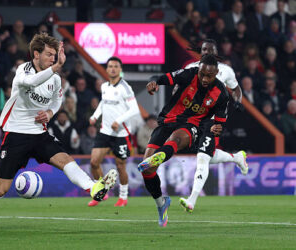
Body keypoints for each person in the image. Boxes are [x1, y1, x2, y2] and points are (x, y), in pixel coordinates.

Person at [0, 33, 117, 233]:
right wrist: (56, 67)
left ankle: (93, 187)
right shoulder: (22, 70)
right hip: (16, 134)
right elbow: (31, 83)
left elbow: (56, 100)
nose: (53, 59)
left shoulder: (55, 79)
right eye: (49, 54)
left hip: (39, 133)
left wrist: (51, 113)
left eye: (55, 55)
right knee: (0, 189)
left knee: (65, 159)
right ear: (36, 54)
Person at [138, 54, 229, 227]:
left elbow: (219, 124)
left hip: (192, 125)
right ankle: (161, 203)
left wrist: (218, 128)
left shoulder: (221, 94)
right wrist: (154, 82)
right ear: (199, 70)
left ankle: (161, 156)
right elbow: (167, 78)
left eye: (209, 75)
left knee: (177, 138)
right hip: (167, 121)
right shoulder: (189, 74)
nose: (204, 78)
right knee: (147, 170)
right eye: (202, 74)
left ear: (216, 73)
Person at [179, 39, 249, 213]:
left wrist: (238, 101)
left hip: (213, 119)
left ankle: (192, 200)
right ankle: (237, 158)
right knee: (208, 154)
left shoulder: (225, 70)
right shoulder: (191, 68)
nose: (207, 52)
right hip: (194, 118)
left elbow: (236, 89)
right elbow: (179, 85)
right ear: (200, 51)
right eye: (204, 49)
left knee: (202, 157)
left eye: (210, 50)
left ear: (216, 53)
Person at [88, 56, 140, 207]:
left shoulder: (125, 88)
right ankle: (102, 192)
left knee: (120, 165)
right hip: (105, 132)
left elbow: (134, 109)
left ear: (120, 70)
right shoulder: (104, 87)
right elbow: (103, 104)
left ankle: (123, 197)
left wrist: (119, 120)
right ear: (107, 69)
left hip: (121, 133)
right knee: (93, 162)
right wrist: (94, 116)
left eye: (116, 66)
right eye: (110, 66)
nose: (112, 69)